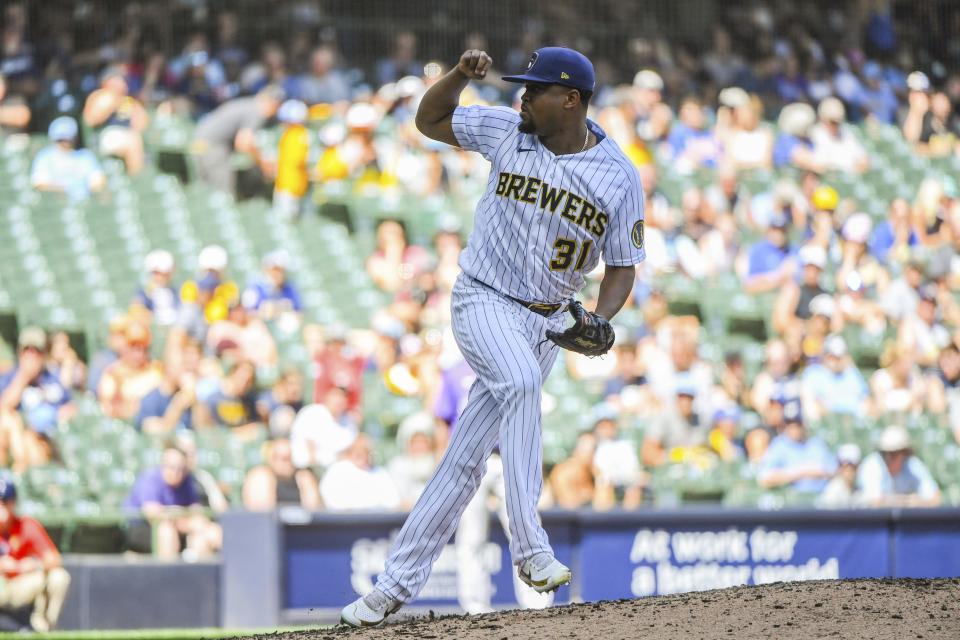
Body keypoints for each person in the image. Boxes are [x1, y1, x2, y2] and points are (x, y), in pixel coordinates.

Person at [340, 46, 644, 626]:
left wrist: (603, 317)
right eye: (522, 86)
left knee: (464, 463)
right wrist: (457, 76)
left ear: (572, 100)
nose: (522, 96)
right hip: (483, 296)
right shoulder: (508, 131)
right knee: (523, 382)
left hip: (548, 320)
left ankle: (390, 589)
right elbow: (429, 120)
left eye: (535, 89)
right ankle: (530, 547)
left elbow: (624, 264)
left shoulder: (619, 176)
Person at [123, 444, 222, 560]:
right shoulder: (149, 479)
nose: (176, 472)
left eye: (181, 468)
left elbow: (197, 514)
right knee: (166, 531)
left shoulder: (188, 481)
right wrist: (185, 520)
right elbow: (154, 516)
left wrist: (186, 520)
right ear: (163, 465)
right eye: (171, 467)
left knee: (209, 532)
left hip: (177, 526)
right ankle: (168, 575)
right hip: (142, 529)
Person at [0, 328, 75, 472]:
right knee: (11, 423)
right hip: (18, 438)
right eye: (27, 350)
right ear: (20, 353)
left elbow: (70, 407)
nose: (32, 356)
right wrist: (24, 377)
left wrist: (55, 416)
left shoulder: (51, 379)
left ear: (44, 354)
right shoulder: (10, 378)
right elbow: (4, 407)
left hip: (47, 438)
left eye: (37, 351)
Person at [0, 479, 70, 632]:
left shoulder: (26, 525)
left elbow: (54, 558)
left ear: (13, 503)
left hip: (19, 585)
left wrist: (30, 565)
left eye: (5, 501)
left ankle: (43, 627)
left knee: (59, 577)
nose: (2, 507)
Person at [192, 85, 283, 195]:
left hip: (199, 142)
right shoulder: (256, 110)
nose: (275, 111)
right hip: (214, 146)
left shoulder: (247, 104)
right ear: (271, 102)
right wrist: (263, 163)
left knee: (207, 192)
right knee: (223, 194)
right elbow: (244, 143)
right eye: (276, 106)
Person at [81, 66, 148, 174]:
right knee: (133, 140)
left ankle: (138, 179)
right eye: (119, 79)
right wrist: (112, 101)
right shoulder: (100, 95)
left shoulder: (128, 100)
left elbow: (142, 125)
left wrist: (136, 107)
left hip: (129, 135)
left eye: (123, 80)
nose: (122, 83)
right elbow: (90, 120)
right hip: (104, 135)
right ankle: (137, 180)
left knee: (135, 139)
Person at [756, 404, 837, 494]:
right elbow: (764, 477)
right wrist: (800, 472)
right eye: (789, 424)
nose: (793, 428)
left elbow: (834, 471)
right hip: (792, 502)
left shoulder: (816, 444)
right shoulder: (779, 445)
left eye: (797, 424)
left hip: (821, 499)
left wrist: (820, 472)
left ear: (803, 424)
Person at [857, 425, 941, 507]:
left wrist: (915, 502)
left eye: (894, 453)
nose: (888, 458)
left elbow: (935, 498)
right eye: (884, 453)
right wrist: (908, 501)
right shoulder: (872, 465)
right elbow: (875, 503)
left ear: (904, 453)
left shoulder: (912, 464)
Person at [30, 117, 105, 200]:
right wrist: (68, 190)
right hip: (56, 204)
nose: (64, 142)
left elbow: (98, 183)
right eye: (60, 139)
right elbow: (40, 184)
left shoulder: (86, 156)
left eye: (67, 139)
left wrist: (82, 192)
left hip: (84, 202)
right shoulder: (45, 156)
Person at [319, 433, 400, 511]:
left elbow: (392, 501)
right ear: (351, 452)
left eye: (366, 451)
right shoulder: (338, 470)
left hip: (377, 519)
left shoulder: (380, 472)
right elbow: (333, 501)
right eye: (359, 452)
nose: (363, 455)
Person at [242, 437, 321, 511]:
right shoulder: (261, 476)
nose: (288, 463)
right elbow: (262, 514)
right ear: (271, 459)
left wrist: (305, 482)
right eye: (283, 458)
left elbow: (313, 512)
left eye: (290, 457)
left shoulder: (303, 477)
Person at [272, 100, 311, 221]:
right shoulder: (290, 134)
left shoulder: (298, 134)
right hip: (285, 183)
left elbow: (297, 161)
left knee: (287, 221)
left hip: (292, 185)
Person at [133, 250, 179, 328]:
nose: (161, 277)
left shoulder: (176, 291)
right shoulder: (144, 293)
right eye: (157, 273)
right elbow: (137, 311)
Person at [818, 444, 863, 508]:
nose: (849, 470)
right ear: (839, 467)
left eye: (853, 466)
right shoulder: (832, 492)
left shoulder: (860, 491)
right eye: (844, 465)